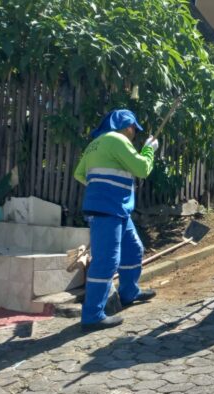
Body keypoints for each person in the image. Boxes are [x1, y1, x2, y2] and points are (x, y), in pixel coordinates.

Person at [74, 109, 158, 331]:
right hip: (108, 209)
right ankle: (93, 315)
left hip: (115, 208)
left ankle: (129, 292)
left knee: (133, 249)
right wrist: (149, 149)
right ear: (128, 126)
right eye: (134, 129)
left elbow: (79, 174)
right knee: (106, 261)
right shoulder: (118, 139)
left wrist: (100, 187)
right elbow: (142, 169)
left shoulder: (95, 143)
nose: (134, 134)